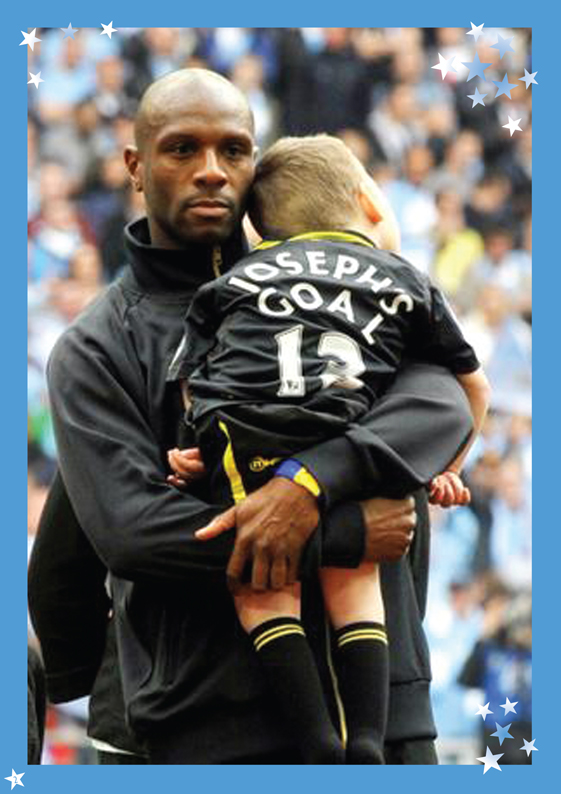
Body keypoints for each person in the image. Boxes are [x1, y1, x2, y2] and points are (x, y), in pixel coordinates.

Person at [29, 68, 473, 765]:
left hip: (385, 708)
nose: (211, 172)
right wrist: (344, 529)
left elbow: (439, 398)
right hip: (214, 718)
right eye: (182, 150)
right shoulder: (96, 346)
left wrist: (311, 481)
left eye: (233, 151)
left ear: (256, 163)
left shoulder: (336, 279)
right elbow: (132, 531)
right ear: (135, 167)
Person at [166, 134, 489, 763]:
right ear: (369, 199)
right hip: (346, 427)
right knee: (357, 572)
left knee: (260, 582)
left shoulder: (234, 279)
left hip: (252, 435)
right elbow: (471, 387)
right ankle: (367, 738)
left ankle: (316, 740)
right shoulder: (404, 278)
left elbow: (193, 378)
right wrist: (447, 466)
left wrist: (196, 447)